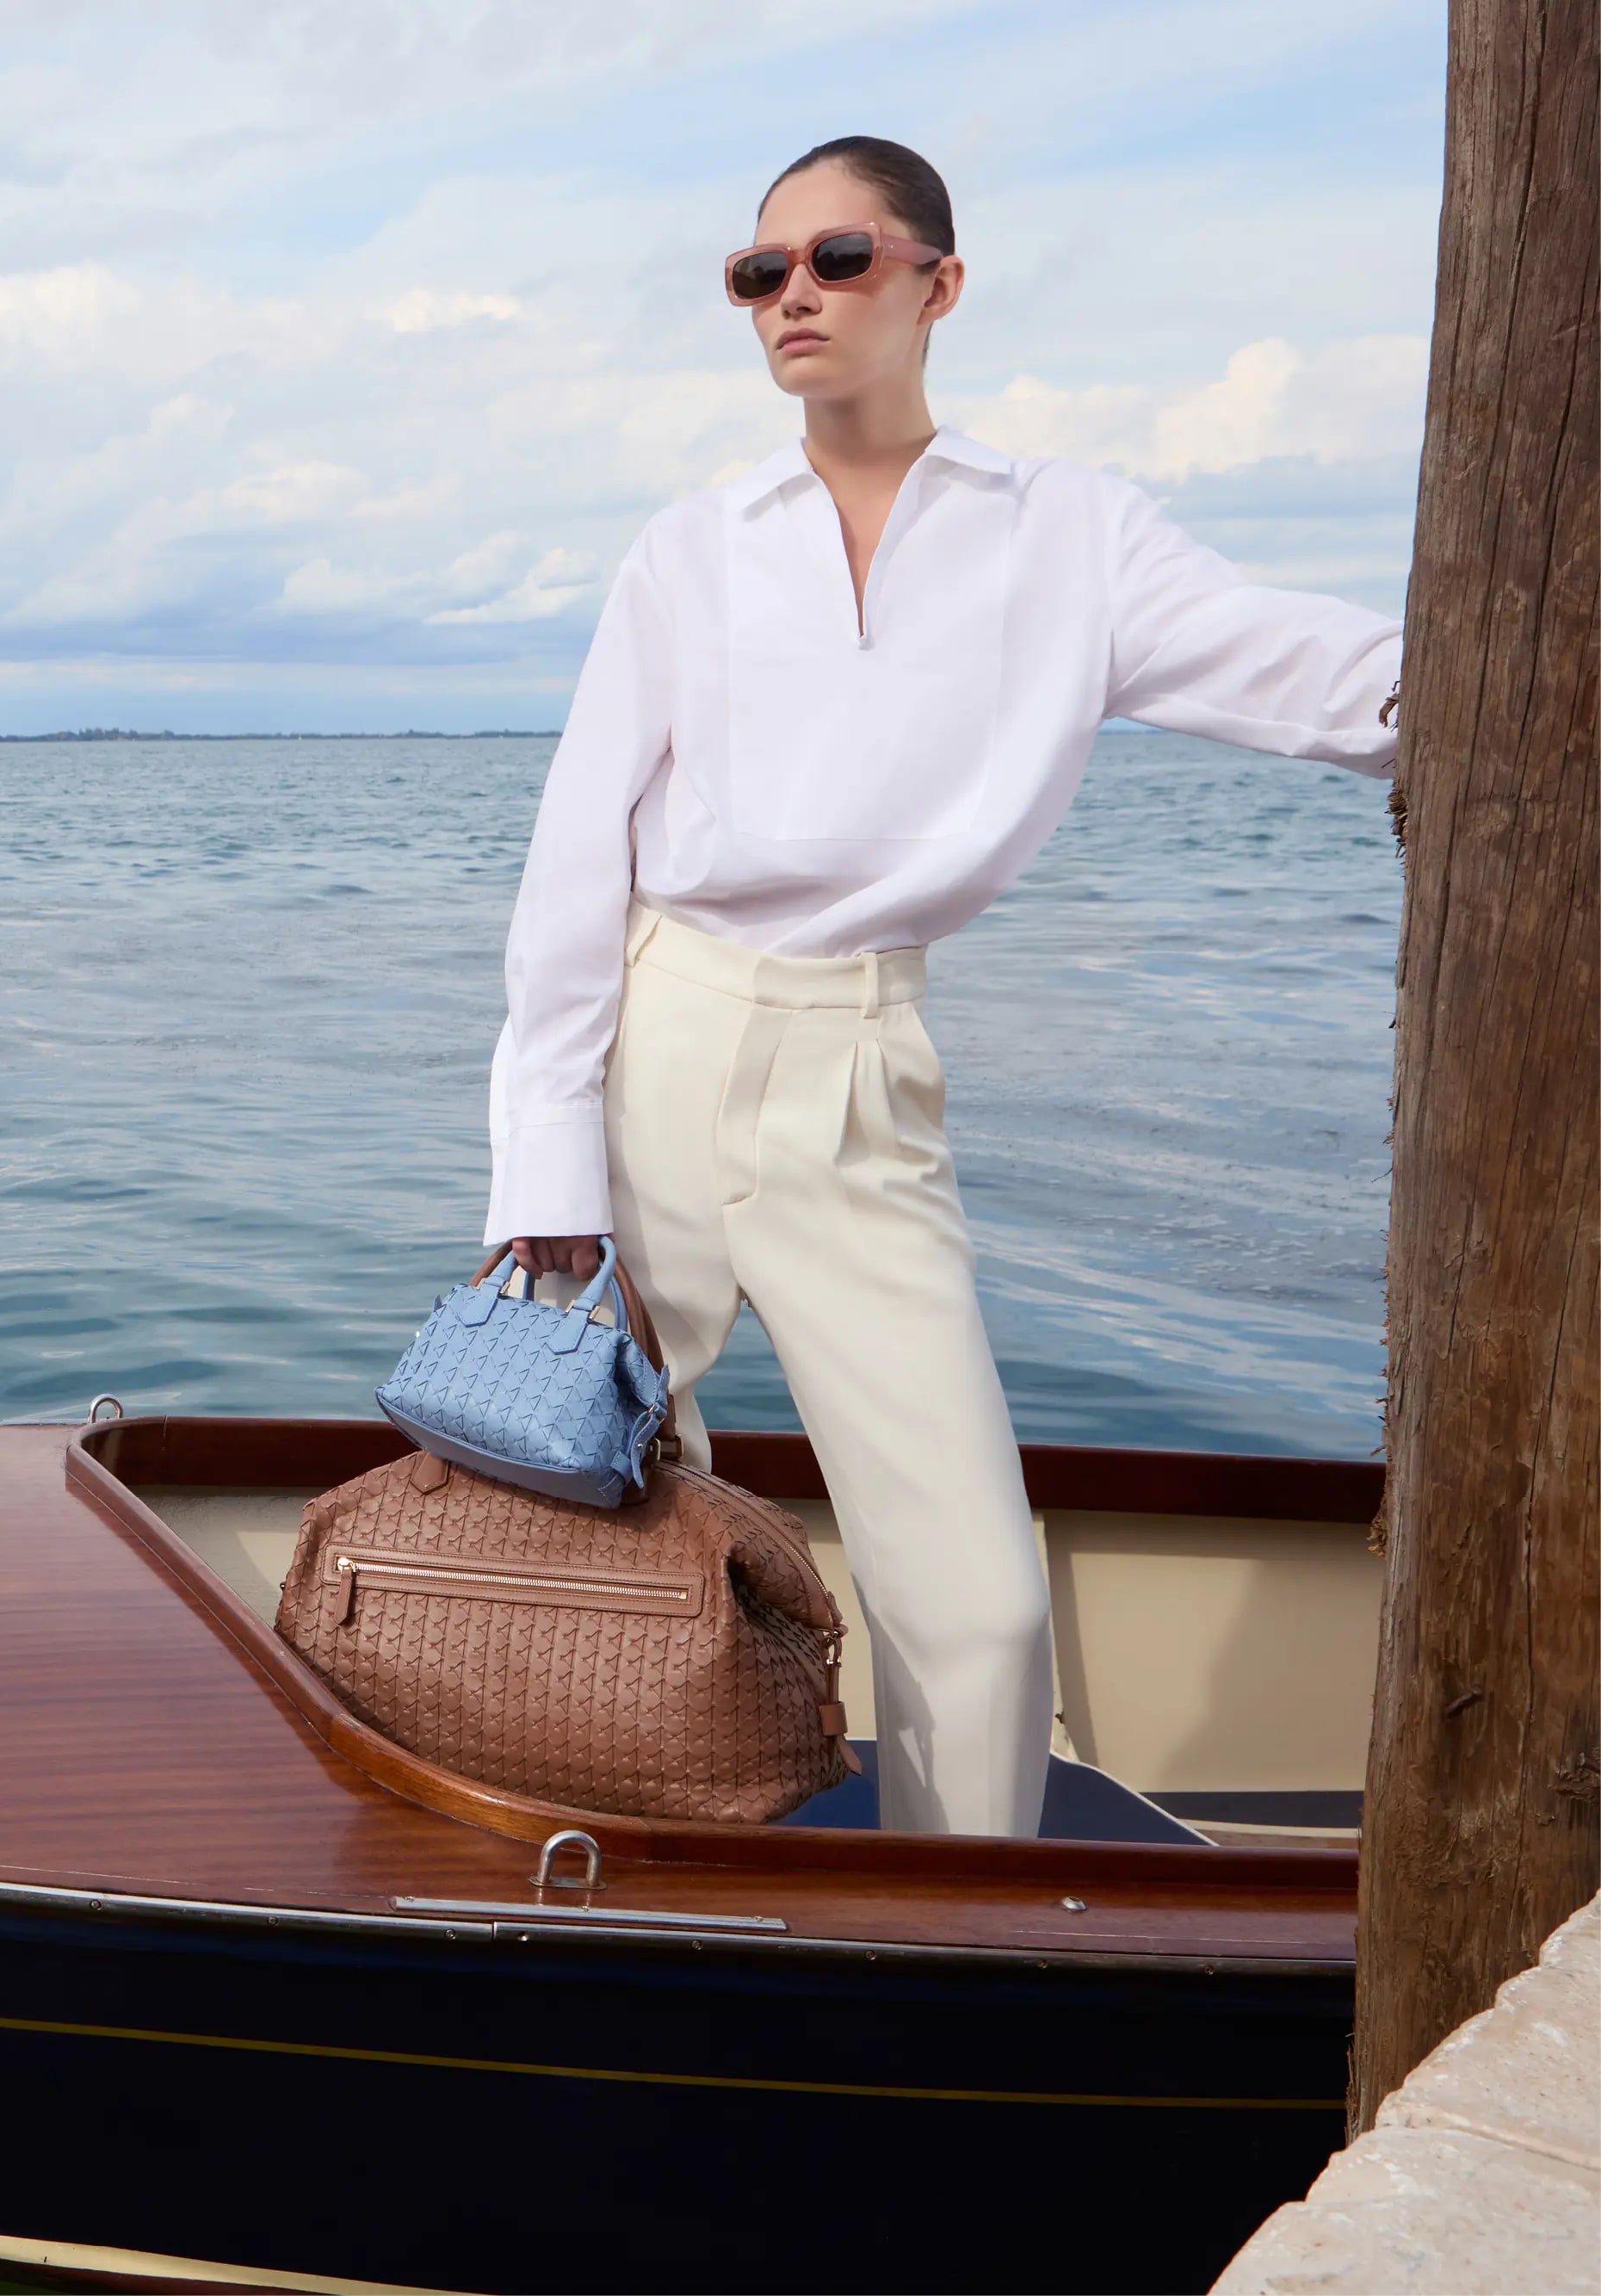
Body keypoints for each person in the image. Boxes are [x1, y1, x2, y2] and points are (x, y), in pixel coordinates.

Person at [483, 135, 1400, 1839]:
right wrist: (539, 1172)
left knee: (973, 1606)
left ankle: (955, 1923)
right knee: (565, 1524)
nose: (792, 300)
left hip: (857, 1068)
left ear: (936, 283)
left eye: (834, 260)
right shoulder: (688, 548)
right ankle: (560, 1888)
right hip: (655, 1049)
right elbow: (569, 867)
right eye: (758, 275)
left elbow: (1322, 674)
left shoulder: (1067, 536)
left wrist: (1519, 683)